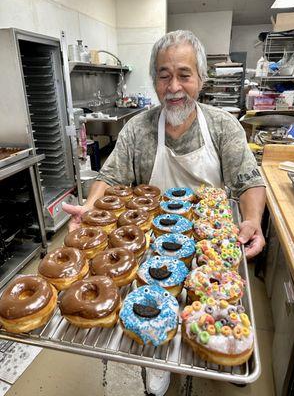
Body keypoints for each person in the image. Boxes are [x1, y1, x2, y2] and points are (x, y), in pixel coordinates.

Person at [63, 30, 266, 396]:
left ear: (201, 79)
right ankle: (160, 356)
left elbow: (250, 180)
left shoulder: (223, 126)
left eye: (184, 74)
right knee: (155, 336)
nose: (174, 86)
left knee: (221, 332)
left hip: (211, 254)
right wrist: (92, 207)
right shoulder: (137, 129)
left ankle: (219, 346)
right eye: (163, 74)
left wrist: (250, 220)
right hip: (155, 256)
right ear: (154, 79)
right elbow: (109, 178)